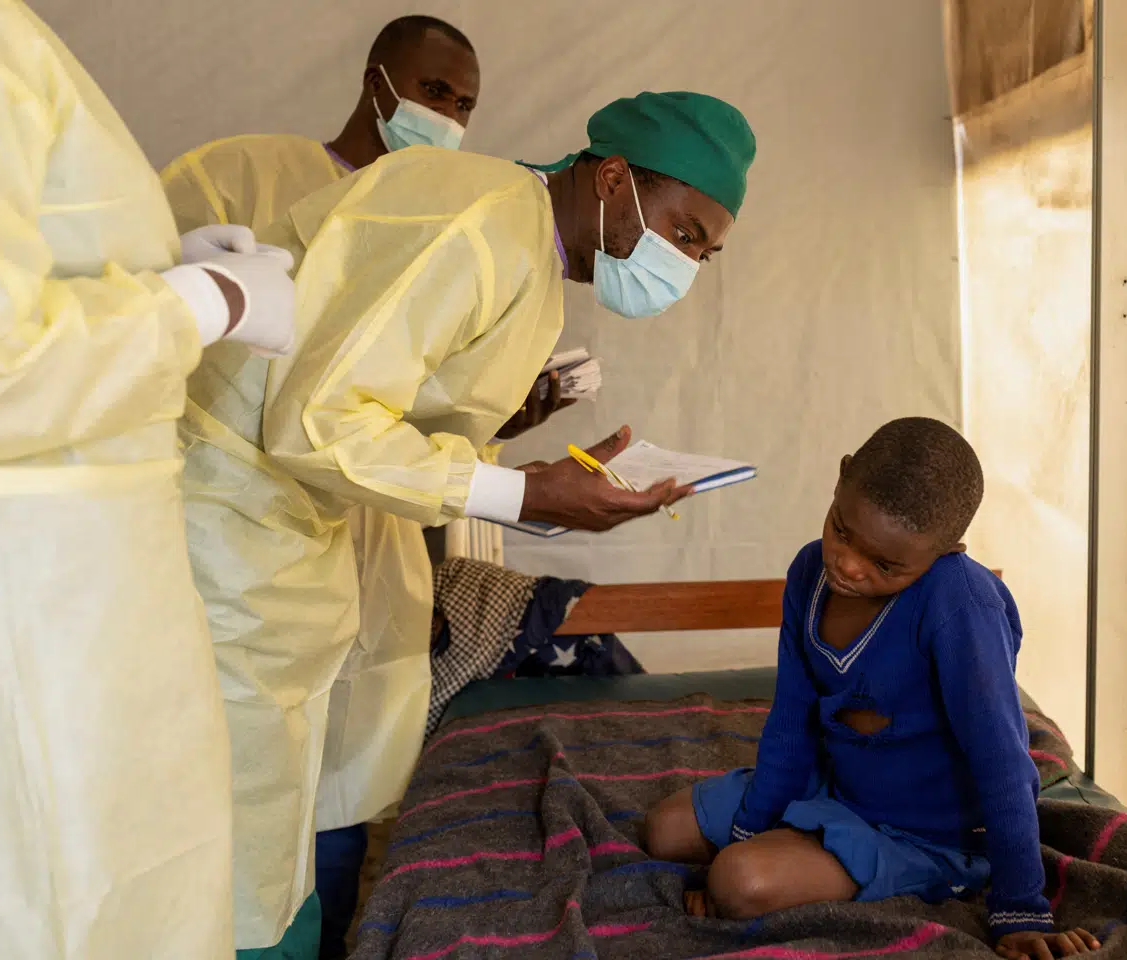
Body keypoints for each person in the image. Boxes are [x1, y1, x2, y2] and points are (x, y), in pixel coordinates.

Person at [180, 90, 755, 957]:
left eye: (706, 254)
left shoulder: (531, 255)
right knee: (223, 819)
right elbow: (318, 421)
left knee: (282, 802)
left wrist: (529, 468)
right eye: (684, 234)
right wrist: (527, 496)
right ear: (611, 179)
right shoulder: (479, 222)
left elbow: (397, 413)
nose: (688, 265)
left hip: (295, 525)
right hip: (229, 520)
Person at [158, 19, 507, 955]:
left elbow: (407, 418)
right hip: (231, 547)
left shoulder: (441, 224)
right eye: (436, 93)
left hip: (367, 559)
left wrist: (514, 419)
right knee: (229, 798)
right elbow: (139, 315)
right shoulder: (244, 174)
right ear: (378, 78)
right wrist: (205, 294)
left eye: (466, 105)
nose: (451, 117)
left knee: (342, 795)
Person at [0, 1, 298, 957]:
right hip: (29, 607)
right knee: (60, 902)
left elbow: (14, 259)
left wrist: (158, 265)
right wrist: (204, 302)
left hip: (82, 591)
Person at [640, 418, 1102, 960]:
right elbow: (791, 719)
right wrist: (751, 827)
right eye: (841, 530)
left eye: (884, 565)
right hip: (832, 787)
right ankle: (797, 841)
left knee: (739, 883)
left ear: (947, 550)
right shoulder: (809, 571)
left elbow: (1001, 757)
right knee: (664, 831)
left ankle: (925, 873)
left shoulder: (960, 604)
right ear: (841, 481)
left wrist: (1021, 906)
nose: (848, 565)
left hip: (924, 832)